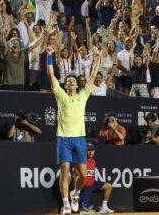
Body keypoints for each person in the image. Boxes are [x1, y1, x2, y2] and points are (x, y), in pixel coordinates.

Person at [46, 43, 102, 215]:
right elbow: (51, 75)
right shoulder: (61, 95)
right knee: (64, 169)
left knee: (83, 176)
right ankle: (66, 204)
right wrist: (49, 56)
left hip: (79, 138)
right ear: (65, 85)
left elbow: (93, 75)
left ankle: (75, 194)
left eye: (73, 81)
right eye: (68, 81)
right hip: (63, 138)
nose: (70, 82)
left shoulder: (83, 95)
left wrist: (98, 56)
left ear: (77, 86)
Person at [73, 142, 114, 214]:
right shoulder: (81, 161)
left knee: (108, 186)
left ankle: (104, 207)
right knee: (83, 210)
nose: (91, 152)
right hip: (84, 187)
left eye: (92, 150)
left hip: (93, 184)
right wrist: (77, 188)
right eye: (88, 150)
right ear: (85, 151)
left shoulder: (93, 161)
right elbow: (74, 175)